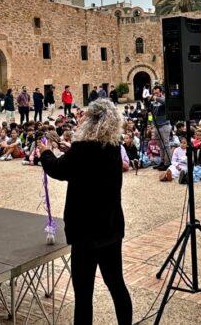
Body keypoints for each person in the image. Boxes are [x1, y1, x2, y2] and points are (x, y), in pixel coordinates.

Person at [39, 99, 132, 325]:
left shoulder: (83, 150)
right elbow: (90, 165)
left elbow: (59, 170)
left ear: (91, 121)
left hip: (85, 232)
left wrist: (45, 153)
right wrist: (68, 149)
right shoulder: (112, 148)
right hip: (110, 227)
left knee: (83, 293)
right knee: (116, 283)